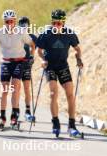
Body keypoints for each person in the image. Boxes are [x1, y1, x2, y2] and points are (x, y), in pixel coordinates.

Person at [0, 10, 35, 131]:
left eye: (12, 21)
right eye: (7, 21)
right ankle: (2, 116)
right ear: (4, 22)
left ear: (15, 21)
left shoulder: (21, 32)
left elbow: (32, 44)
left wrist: (32, 57)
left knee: (16, 87)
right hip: (6, 62)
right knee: (4, 90)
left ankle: (14, 115)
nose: (9, 24)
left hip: (19, 61)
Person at [36, 9, 84, 137]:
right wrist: (43, 59)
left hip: (63, 66)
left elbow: (77, 49)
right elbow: (39, 51)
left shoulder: (69, 34)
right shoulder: (46, 34)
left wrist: (78, 59)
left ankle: (72, 125)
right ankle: (56, 123)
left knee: (70, 94)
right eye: (54, 23)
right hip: (50, 66)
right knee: (53, 93)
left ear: (63, 23)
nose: (56, 26)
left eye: (59, 23)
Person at [18, 16, 38, 122]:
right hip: (16, 65)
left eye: (25, 25)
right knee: (16, 89)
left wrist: (32, 58)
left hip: (26, 66)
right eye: (21, 25)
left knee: (26, 89)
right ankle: (15, 112)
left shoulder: (33, 37)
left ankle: (27, 111)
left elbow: (36, 49)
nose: (23, 27)